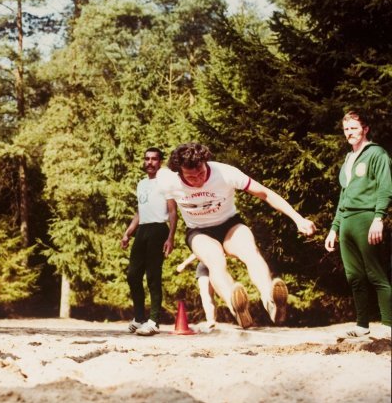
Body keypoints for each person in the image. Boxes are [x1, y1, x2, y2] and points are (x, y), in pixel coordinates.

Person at [158, 142, 316, 328]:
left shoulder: (225, 173)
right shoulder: (169, 182)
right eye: (191, 177)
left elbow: (265, 193)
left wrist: (298, 218)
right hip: (199, 231)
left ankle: (271, 301)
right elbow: (156, 208)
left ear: (206, 163)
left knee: (250, 252)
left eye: (201, 173)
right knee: (215, 261)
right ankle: (237, 308)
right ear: (179, 172)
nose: (198, 180)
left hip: (230, 224)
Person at [324, 111, 392, 338]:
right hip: (347, 222)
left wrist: (378, 218)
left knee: (375, 273)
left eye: (354, 128)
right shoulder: (348, 158)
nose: (349, 133)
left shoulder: (376, 154)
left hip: (367, 219)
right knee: (354, 276)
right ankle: (362, 325)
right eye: (346, 129)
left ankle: (389, 325)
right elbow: (344, 196)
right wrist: (334, 228)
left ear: (365, 129)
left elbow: (385, 188)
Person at [121, 148, 178, 336]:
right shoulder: (141, 184)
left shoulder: (165, 183)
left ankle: (153, 321)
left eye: (154, 159)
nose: (150, 162)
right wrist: (128, 233)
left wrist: (170, 237)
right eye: (147, 159)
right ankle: (139, 318)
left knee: (153, 276)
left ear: (159, 162)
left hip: (158, 229)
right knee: (133, 275)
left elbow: (172, 211)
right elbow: (140, 212)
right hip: (142, 230)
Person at [176, 253, 216, 331]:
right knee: (209, 296)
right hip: (211, 268)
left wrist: (183, 264)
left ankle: (211, 320)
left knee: (207, 295)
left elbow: (197, 253)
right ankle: (211, 320)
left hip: (208, 268)